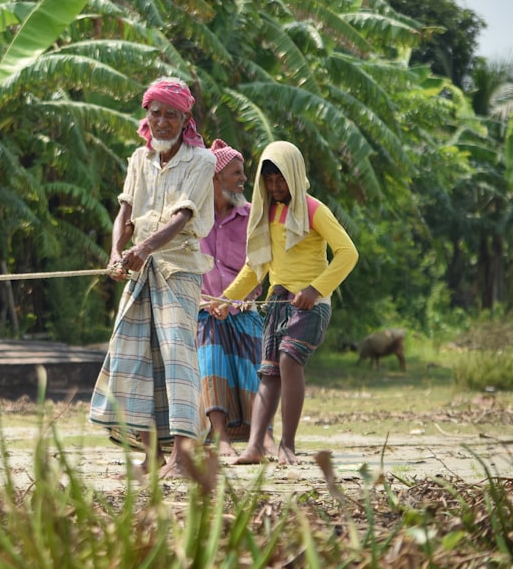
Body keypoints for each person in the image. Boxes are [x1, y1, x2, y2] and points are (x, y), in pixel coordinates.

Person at [90, 77, 216, 479]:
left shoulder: (202, 161)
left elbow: (183, 218)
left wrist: (143, 250)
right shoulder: (138, 160)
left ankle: (183, 455)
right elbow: (125, 213)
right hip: (138, 269)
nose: (162, 122)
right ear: (147, 116)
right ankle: (151, 455)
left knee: (178, 358)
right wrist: (115, 253)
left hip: (178, 270)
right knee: (134, 357)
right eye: (155, 114)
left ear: (184, 120)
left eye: (171, 116)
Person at [209, 141, 357, 465]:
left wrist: (315, 290)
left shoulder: (316, 210)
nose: (275, 187)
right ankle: (255, 448)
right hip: (276, 300)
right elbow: (255, 266)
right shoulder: (267, 212)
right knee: (268, 372)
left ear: (295, 175)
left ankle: (287, 445)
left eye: (281, 180)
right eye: (269, 180)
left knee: (290, 361)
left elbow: (348, 253)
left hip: (310, 305)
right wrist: (226, 300)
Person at [197, 139, 268, 457]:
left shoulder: (252, 215)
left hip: (244, 308)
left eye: (243, 173)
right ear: (215, 177)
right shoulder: (193, 217)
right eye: (236, 173)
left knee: (255, 368)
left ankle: (263, 436)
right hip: (204, 310)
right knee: (211, 361)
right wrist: (212, 303)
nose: (243, 179)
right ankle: (220, 435)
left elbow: (261, 263)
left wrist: (232, 301)